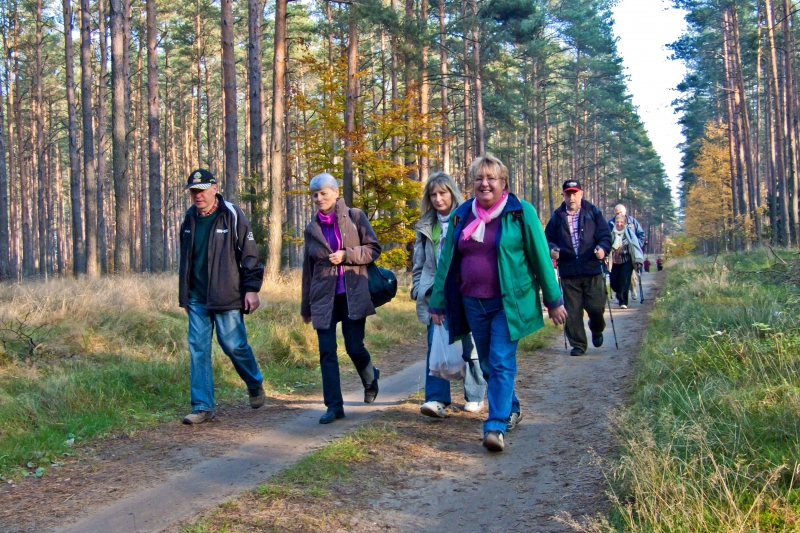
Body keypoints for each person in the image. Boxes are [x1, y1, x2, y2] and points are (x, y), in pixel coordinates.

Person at [429, 155, 567, 453]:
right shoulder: (462, 214)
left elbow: (541, 257)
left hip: (508, 303)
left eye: (491, 178)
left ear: (504, 183)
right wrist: (437, 301)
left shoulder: (521, 213)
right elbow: (447, 262)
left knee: (502, 361)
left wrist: (553, 299)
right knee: (490, 364)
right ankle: (511, 407)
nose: (485, 183)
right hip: (472, 303)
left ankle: (495, 426)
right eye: (479, 178)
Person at [178, 169, 266, 425]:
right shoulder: (189, 218)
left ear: (214, 188)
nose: (198, 196)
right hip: (197, 297)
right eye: (194, 191)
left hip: (227, 294)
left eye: (202, 190)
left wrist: (252, 289)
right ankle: (202, 406)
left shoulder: (231, 214)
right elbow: (186, 260)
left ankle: (254, 382)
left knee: (233, 345)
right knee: (198, 349)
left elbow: (250, 254)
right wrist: (185, 296)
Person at [301, 173, 382, 424]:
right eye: (314, 194)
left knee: (354, 346)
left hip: (352, 293)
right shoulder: (311, 228)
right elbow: (308, 269)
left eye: (323, 193)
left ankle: (370, 378)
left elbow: (373, 249)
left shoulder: (355, 216)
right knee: (327, 352)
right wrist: (306, 306)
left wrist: (346, 254)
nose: (318, 198)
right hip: (323, 297)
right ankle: (334, 406)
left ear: (335, 193)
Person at [411, 172, 487, 418]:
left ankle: (475, 394)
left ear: (452, 193)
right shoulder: (425, 225)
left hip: (465, 290)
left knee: (471, 345)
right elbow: (419, 264)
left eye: (442, 193)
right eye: (433, 194)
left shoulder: (467, 217)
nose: (437, 198)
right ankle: (436, 399)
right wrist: (417, 288)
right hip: (436, 293)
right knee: (436, 345)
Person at [545, 179, 612, 357]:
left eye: (575, 193)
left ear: (581, 194)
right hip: (569, 271)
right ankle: (578, 345)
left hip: (592, 269)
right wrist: (552, 249)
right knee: (573, 312)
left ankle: (597, 328)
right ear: (563, 195)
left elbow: (605, 235)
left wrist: (602, 249)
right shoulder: (557, 216)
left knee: (596, 307)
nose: (572, 197)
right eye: (568, 194)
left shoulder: (592, 212)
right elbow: (548, 238)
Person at [609, 213, 644, 309]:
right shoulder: (611, 233)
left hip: (626, 261)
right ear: (614, 223)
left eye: (621, 222)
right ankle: (619, 294)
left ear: (624, 223)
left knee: (625, 280)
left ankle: (623, 302)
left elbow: (636, 246)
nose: (619, 224)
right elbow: (607, 246)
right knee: (613, 282)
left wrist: (638, 260)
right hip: (615, 261)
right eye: (617, 222)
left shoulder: (629, 233)